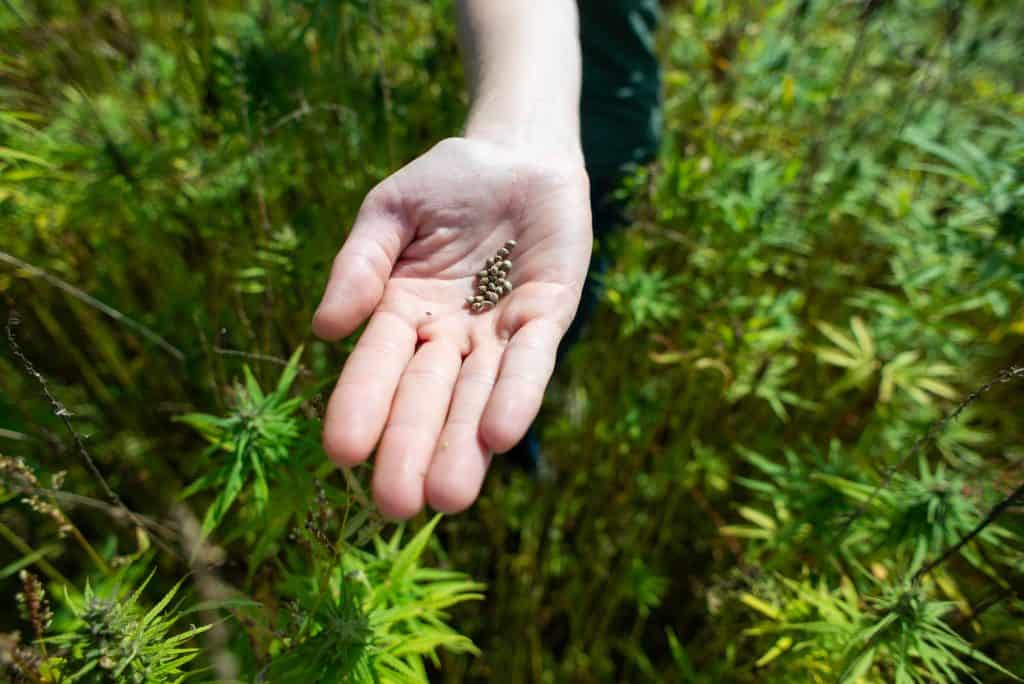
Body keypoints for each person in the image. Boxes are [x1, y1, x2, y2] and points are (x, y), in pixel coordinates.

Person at [312, 1, 661, 520]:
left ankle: (519, 428)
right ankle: (508, 441)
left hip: (612, 137)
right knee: (529, 326)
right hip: (575, 114)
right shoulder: (498, 268)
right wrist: (519, 135)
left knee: (562, 303)